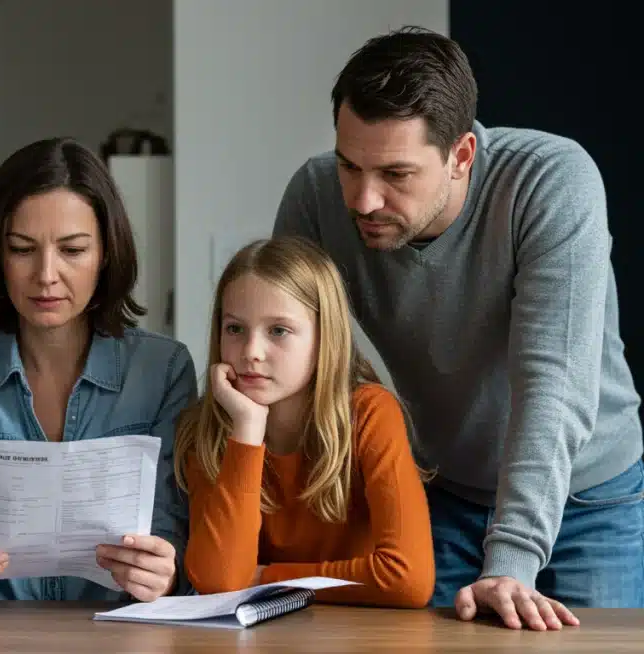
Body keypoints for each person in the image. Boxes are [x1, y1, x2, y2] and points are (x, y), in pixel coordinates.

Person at [273, 26, 638, 628]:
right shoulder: (315, 196)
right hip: (450, 490)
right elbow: (298, 354)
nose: (363, 200)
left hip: (591, 493)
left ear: (462, 155)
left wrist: (512, 560)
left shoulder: (550, 181)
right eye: (349, 165)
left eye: (396, 174)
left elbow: (552, 382)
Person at [0, 137, 198, 607]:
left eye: (72, 250)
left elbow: (174, 527)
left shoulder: (163, 370)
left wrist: (166, 572)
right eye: (22, 249)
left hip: (121, 635)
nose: (46, 274)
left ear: (105, 253)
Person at [177, 237, 434, 608]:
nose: (251, 352)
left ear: (323, 336)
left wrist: (266, 577)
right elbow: (219, 582)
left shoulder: (371, 414)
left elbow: (408, 579)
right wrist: (247, 430)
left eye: (278, 330)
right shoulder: (208, 428)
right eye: (235, 329)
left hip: (358, 637)